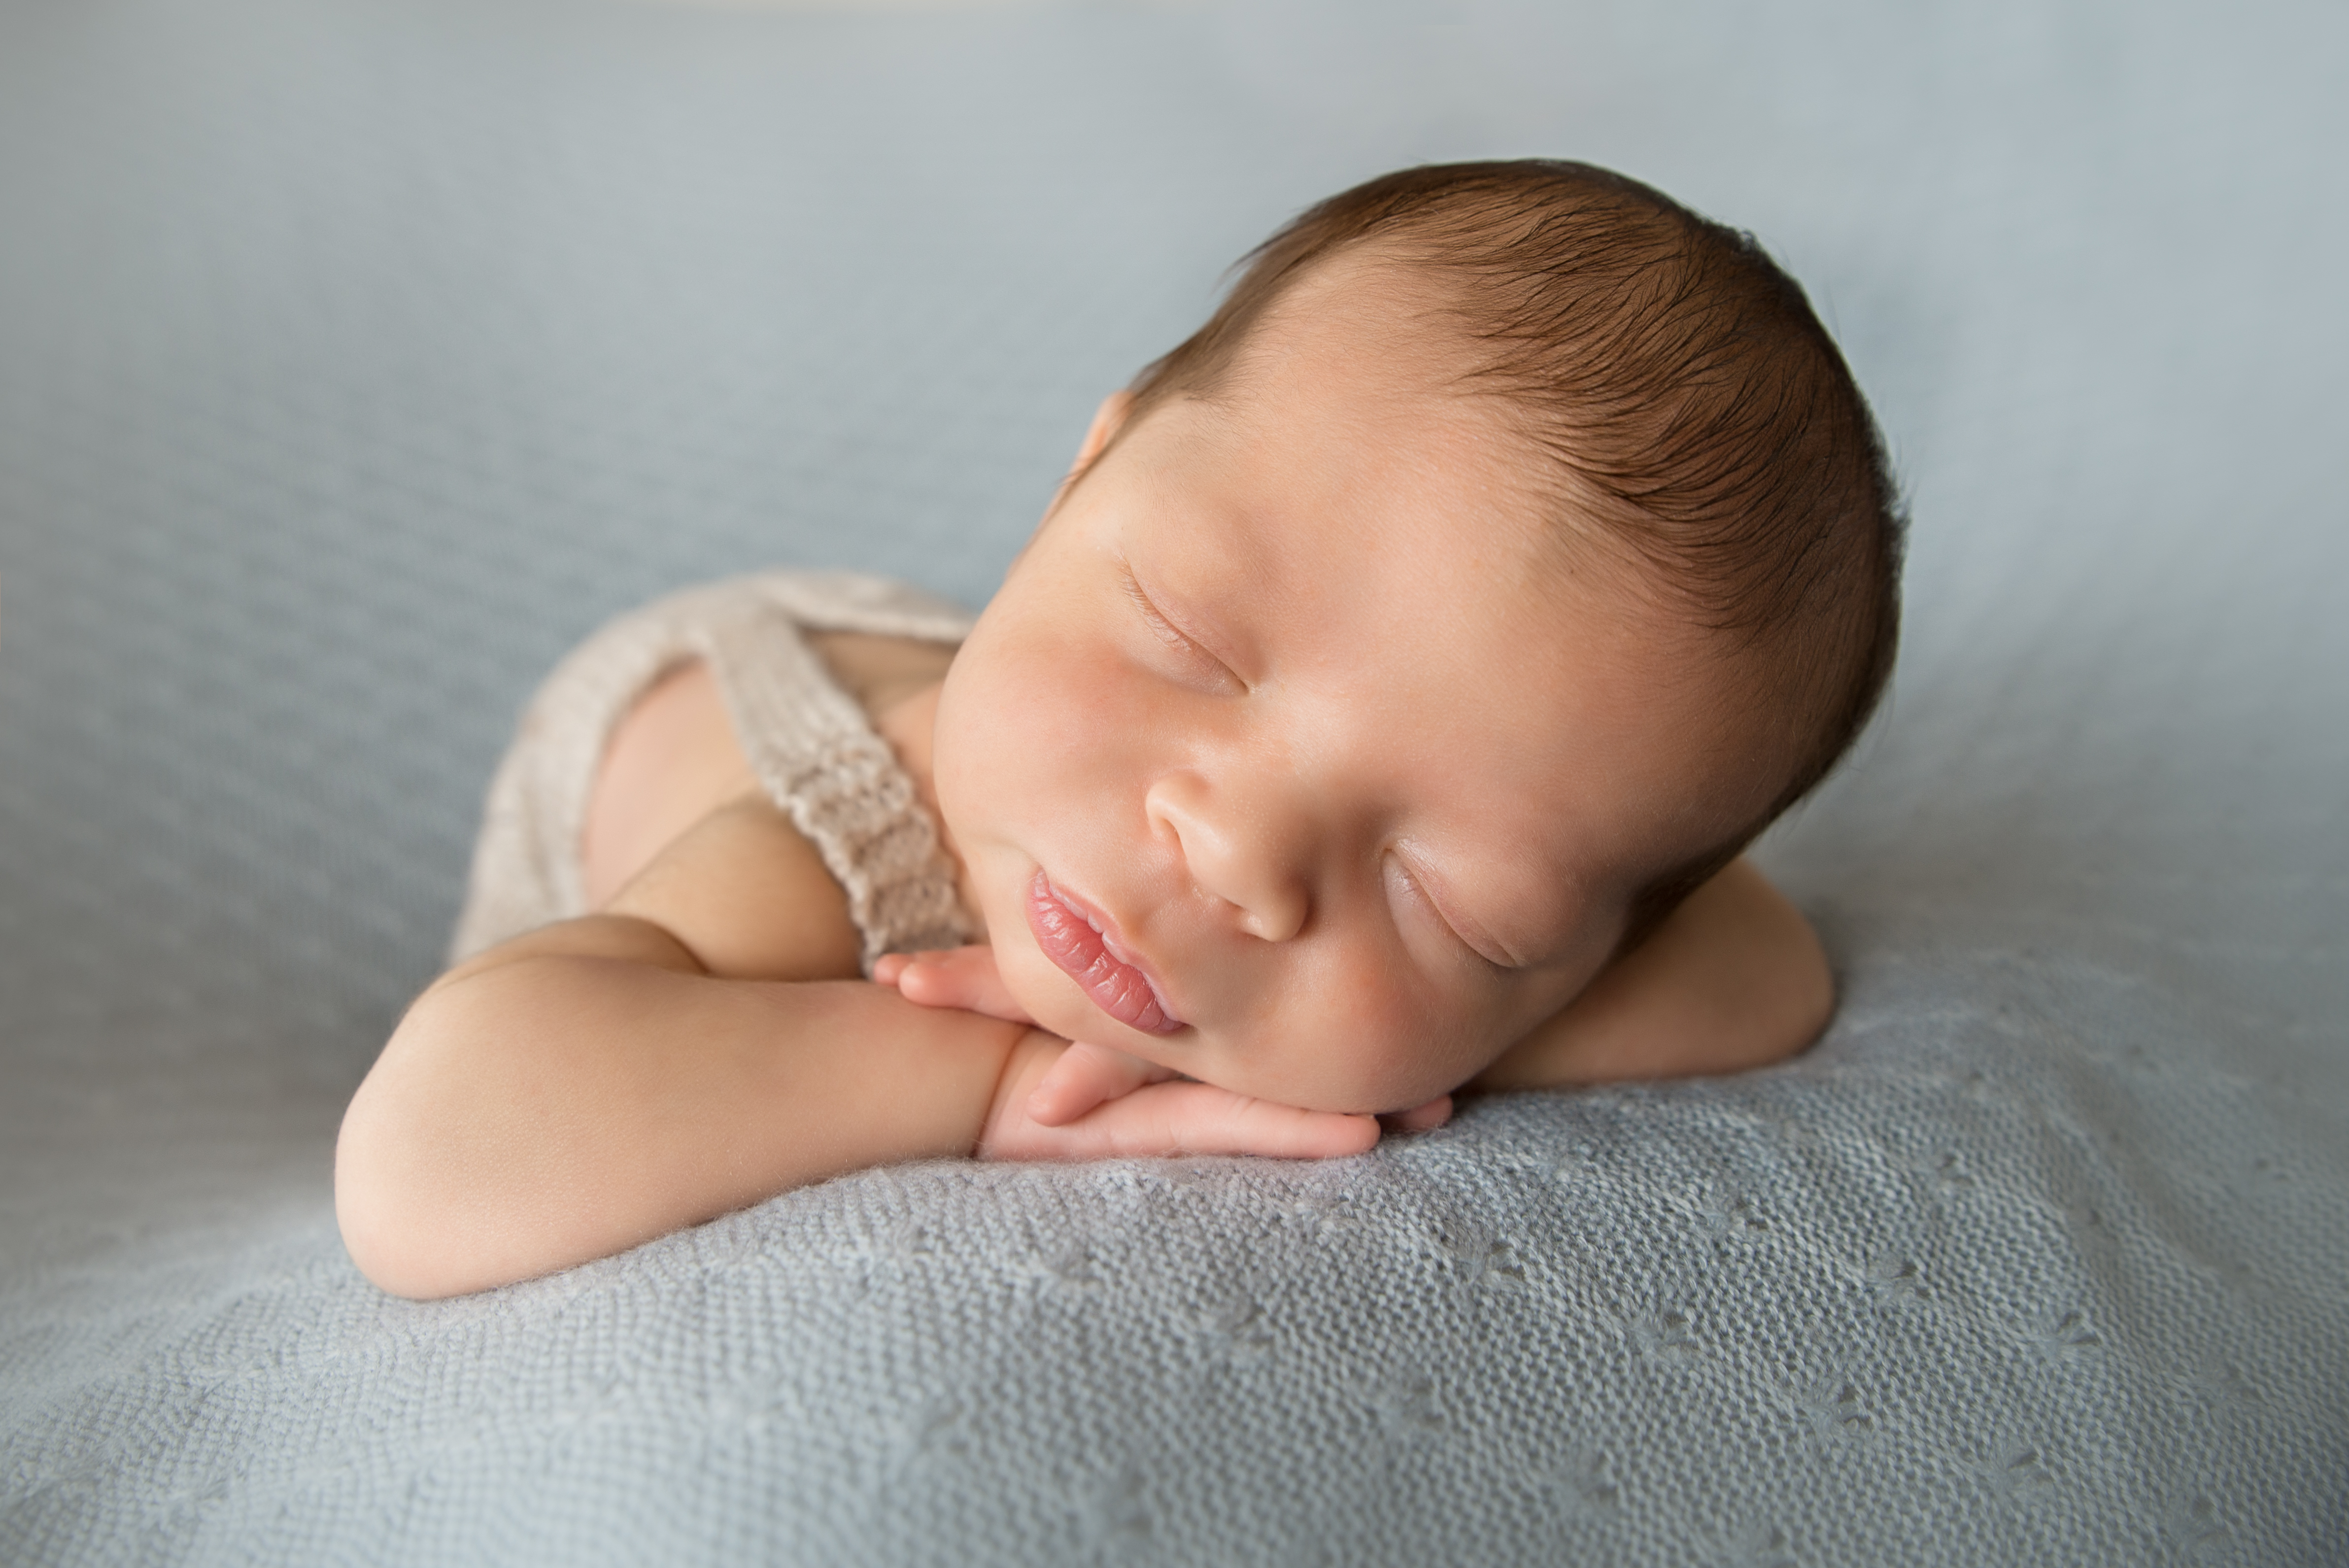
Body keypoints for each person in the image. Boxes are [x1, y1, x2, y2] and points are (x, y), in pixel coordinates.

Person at [336, 160, 1903, 1299]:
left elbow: (1764, 971)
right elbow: (435, 1158)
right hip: (701, 714)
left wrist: (1424, 1026)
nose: (1237, 852)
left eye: (1452, 899)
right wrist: (991, 1085)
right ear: (1085, 475)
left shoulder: (1530, 908)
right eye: (1193, 645)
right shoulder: (834, 853)